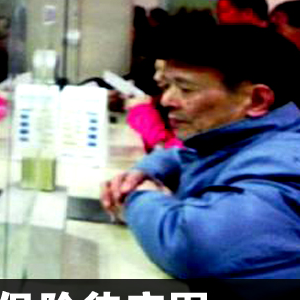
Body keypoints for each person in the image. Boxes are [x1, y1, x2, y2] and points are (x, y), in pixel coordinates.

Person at [101, 24, 300, 279]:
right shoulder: (241, 138)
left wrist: (137, 196)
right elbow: (188, 155)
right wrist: (147, 171)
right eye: (167, 86)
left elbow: (193, 247)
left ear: (257, 100)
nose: (166, 101)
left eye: (185, 89)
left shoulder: (286, 161)